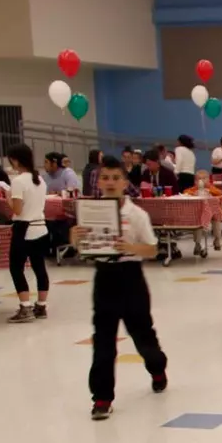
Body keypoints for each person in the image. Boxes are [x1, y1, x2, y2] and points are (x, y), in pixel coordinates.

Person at [69, 156, 167, 420]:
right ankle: (102, 397)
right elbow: (83, 248)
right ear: (98, 181)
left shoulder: (137, 214)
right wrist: (75, 239)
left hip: (131, 276)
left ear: (125, 182)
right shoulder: (91, 211)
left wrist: (131, 248)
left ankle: (157, 368)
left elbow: (152, 248)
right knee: (103, 339)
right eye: (105, 178)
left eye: (116, 178)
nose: (110, 183)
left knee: (142, 333)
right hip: (104, 277)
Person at [5, 144, 50, 324]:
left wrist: (8, 198)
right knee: (40, 267)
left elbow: (17, 209)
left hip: (24, 228)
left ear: (15, 160)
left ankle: (25, 306)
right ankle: (41, 305)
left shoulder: (18, 181)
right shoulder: (40, 179)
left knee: (16, 267)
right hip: (41, 226)